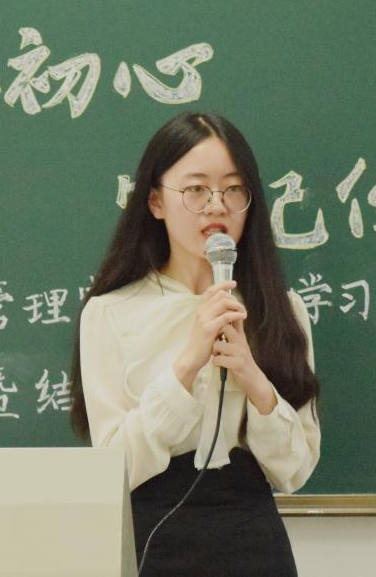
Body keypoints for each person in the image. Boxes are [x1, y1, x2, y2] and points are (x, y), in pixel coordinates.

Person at [70, 112, 320, 576]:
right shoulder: (109, 312)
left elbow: (295, 470)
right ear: (155, 201)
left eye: (233, 189)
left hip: (253, 542)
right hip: (151, 539)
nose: (216, 205)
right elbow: (113, 469)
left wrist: (253, 379)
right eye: (196, 189)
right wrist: (186, 365)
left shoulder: (283, 309)